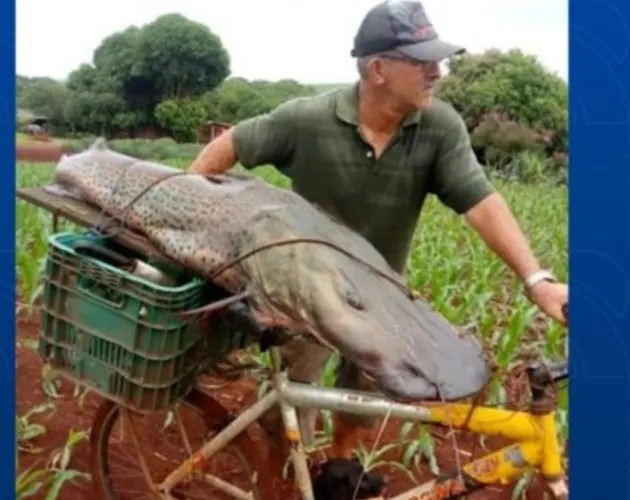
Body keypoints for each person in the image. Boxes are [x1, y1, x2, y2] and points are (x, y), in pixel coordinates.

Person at [188, 0, 568, 465]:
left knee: (366, 398)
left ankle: (340, 467)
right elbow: (230, 144)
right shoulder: (306, 119)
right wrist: (194, 212)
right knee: (295, 396)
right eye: (423, 61)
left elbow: (481, 202)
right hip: (308, 294)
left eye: (438, 61)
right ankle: (286, 473)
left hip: (382, 298)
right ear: (378, 68)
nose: (437, 72)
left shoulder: (439, 128)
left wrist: (536, 280)